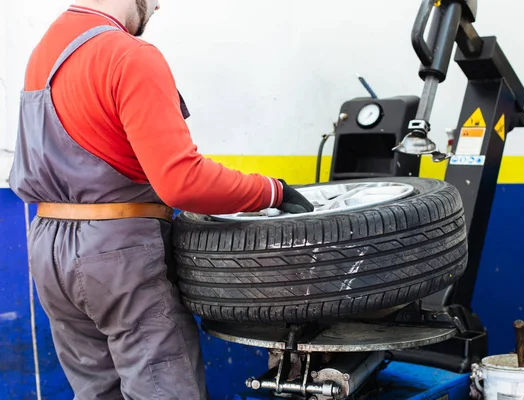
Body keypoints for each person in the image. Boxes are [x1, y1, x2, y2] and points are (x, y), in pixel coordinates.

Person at [8, 1, 314, 399]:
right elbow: (181, 181)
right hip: (115, 251)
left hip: (48, 249)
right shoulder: (128, 55)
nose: (157, 5)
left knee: (97, 391)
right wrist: (271, 190)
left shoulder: (45, 52)